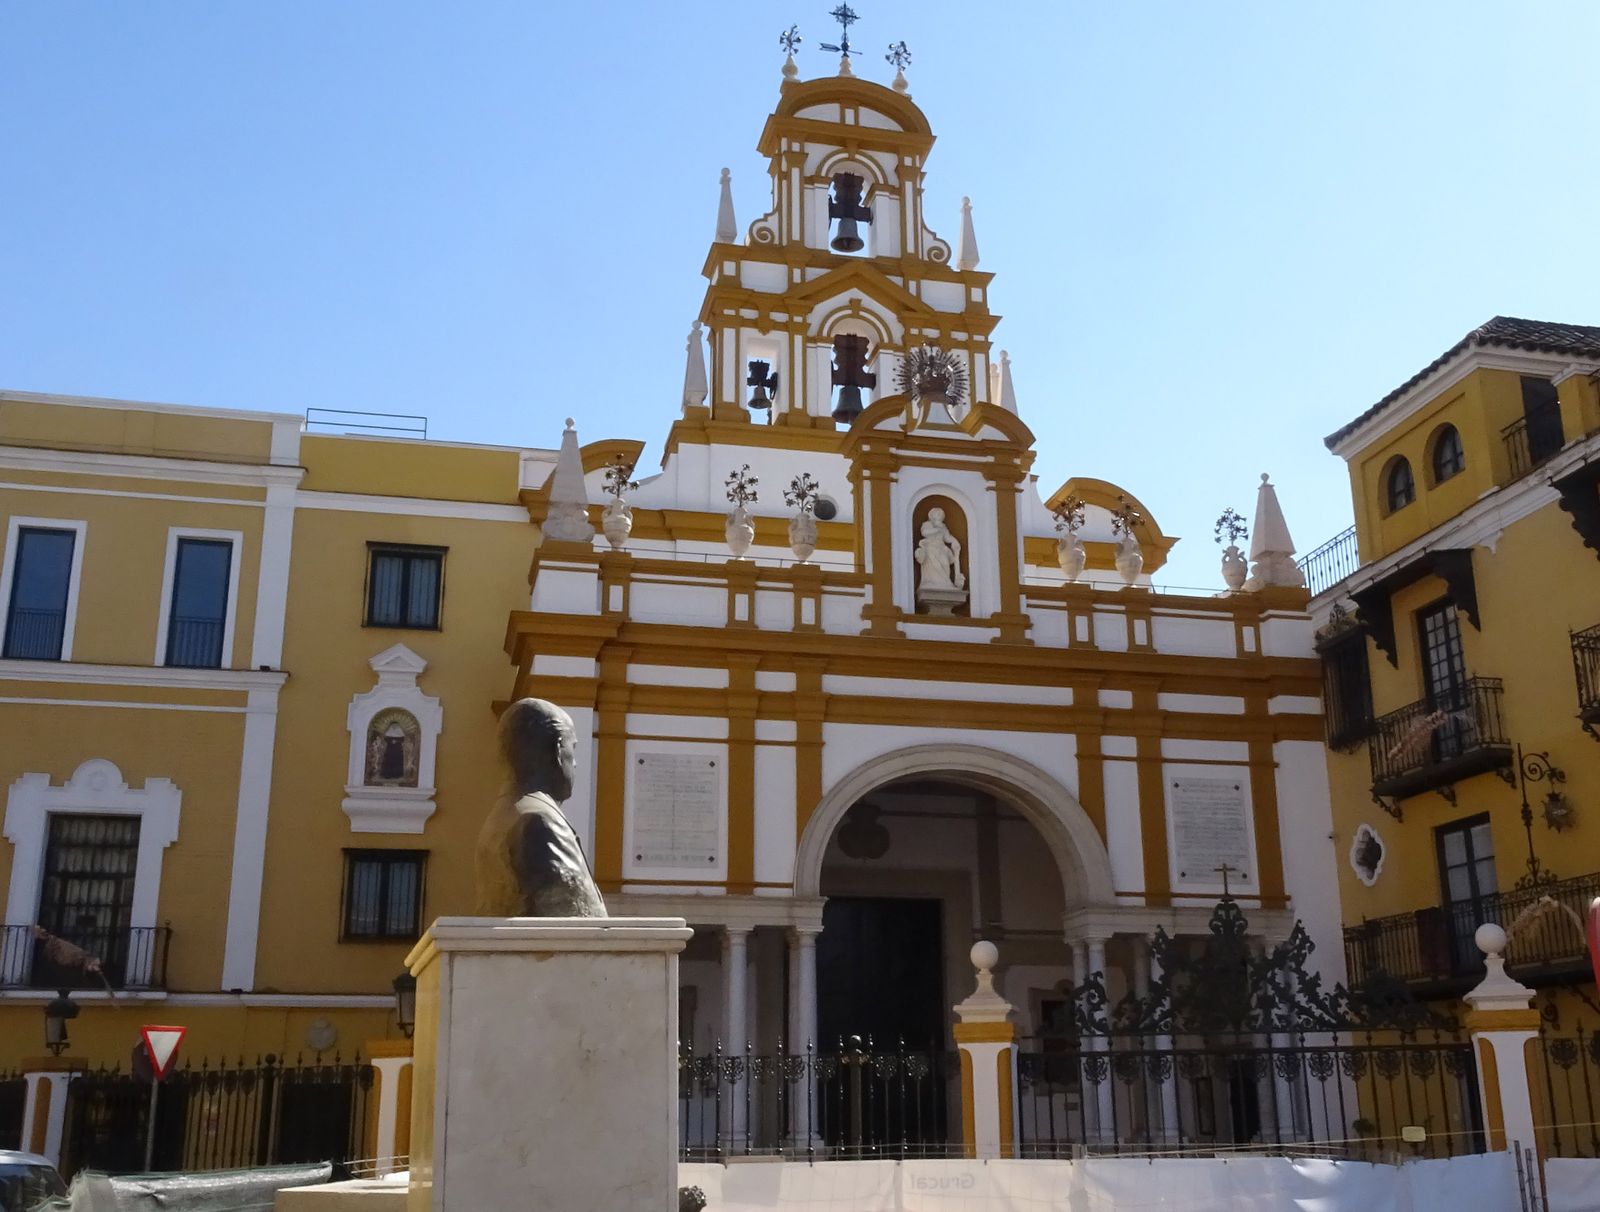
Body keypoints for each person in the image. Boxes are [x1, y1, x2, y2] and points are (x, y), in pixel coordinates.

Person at [475, 698, 607, 917]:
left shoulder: (502, 818)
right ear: (557, 751)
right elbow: (576, 917)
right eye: (572, 748)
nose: (575, 763)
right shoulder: (538, 822)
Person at [914, 507, 964, 590]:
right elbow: (924, 532)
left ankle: (945, 583)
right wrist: (937, 529)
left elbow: (947, 537)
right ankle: (931, 582)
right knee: (933, 564)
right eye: (938, 514)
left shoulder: (943, 527)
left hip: (941, 548)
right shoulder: (928, 524)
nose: (940, 516)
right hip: (930, 547)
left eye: (941, 514)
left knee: (945, 563)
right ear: (932, 515)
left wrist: (955, 541)